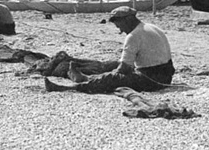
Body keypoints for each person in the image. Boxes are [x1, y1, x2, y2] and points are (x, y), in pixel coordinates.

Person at [44, 6, 174, 94]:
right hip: (166, 75)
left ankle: (72, 87)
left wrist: (108, 76)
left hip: (151, 80)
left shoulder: (133, 36)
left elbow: (124, 69)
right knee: (114, 64)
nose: (120, 30)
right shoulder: (151, 27)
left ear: (127, 20)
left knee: (113, 78)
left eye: (119, 26)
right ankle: (86, 78)